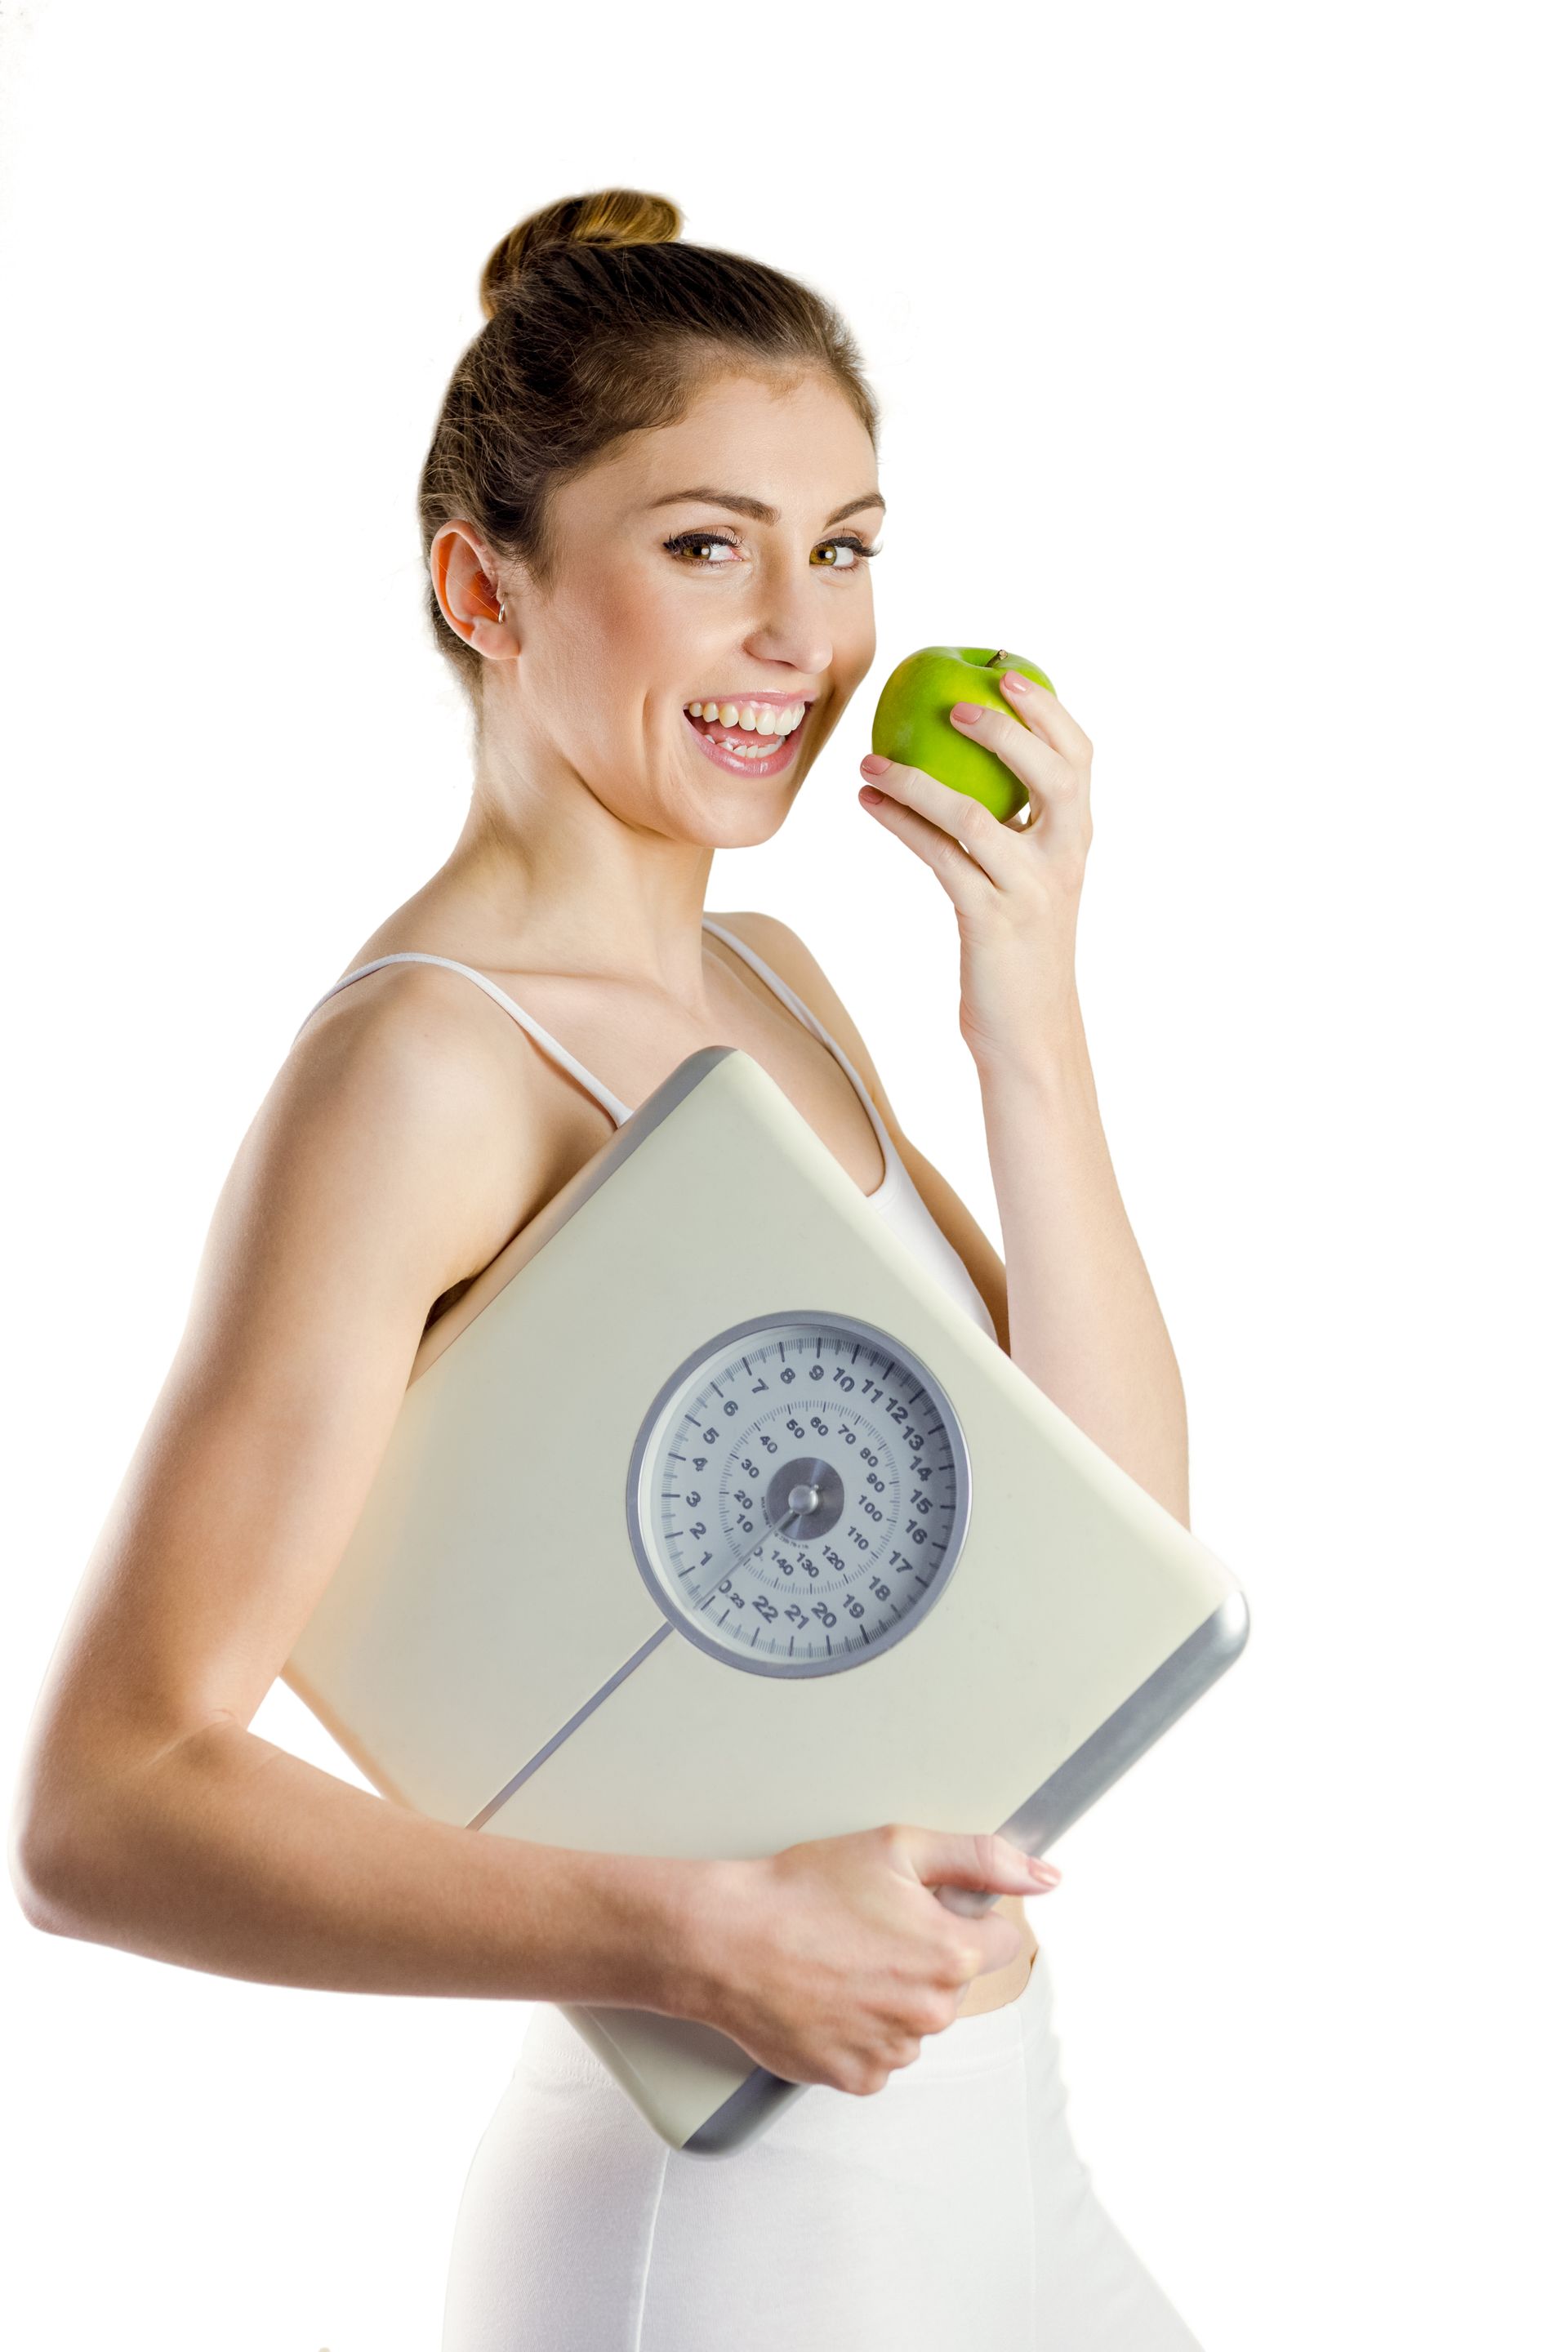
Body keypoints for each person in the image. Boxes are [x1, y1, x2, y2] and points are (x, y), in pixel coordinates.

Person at [9, 188, 1202, 2349]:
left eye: (843, 547)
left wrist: (1023, 996)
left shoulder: (777, 983)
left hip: (998, 2134)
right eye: (705, 546)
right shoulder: (427, 1070)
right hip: (735, 2205)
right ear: (486, 586)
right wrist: (692, 1937)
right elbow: (102, 1803)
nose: (805, 643)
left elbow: (1112, 1571)